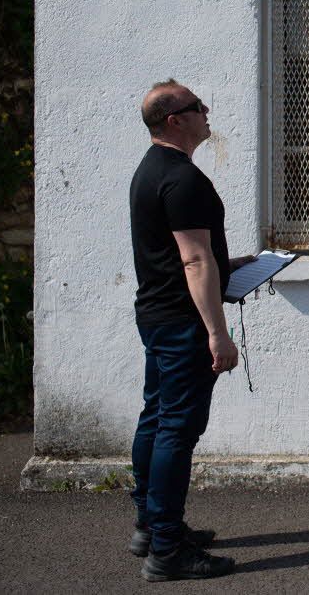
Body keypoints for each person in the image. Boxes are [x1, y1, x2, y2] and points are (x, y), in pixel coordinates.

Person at [128, 79, 250, 581]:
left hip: (158, 315)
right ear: (175, 119)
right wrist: (217, 334)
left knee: (156, 419)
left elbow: (183, 254)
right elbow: (193, 261)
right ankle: (167, 550)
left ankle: (150, 527)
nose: (207, 110)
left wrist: (230, 264)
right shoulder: (184, 180)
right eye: (197, 105)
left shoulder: (151, 171)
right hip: (184, 324)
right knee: (176, 430)